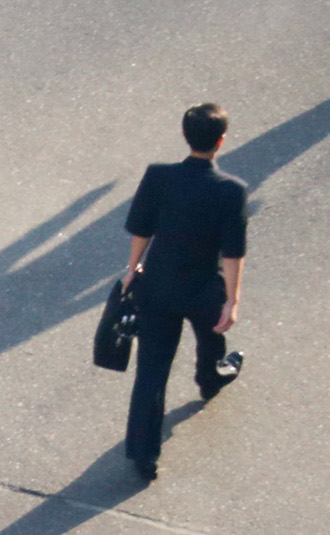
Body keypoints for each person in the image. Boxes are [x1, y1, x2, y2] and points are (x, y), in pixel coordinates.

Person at [118, 103, 249, 482]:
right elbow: (232, 253)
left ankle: (144, 456)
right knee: (211, 340)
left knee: (151, 372)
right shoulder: (231, 190)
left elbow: (141, 228)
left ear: (184, 135)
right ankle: (209, 380)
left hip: (157, 284)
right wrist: (231, 299)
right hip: (203, 288)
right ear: (221, 141)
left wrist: (132, 270)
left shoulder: (159, 177)